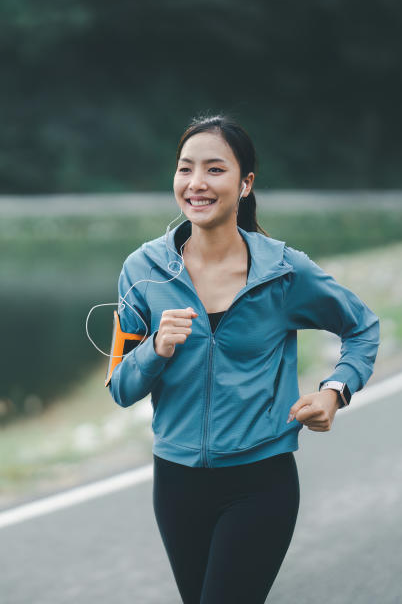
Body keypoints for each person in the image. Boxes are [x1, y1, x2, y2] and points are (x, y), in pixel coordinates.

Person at [105, 114, 380, 603]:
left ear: (245, 183)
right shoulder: (142, 271)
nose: (196, 183)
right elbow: (122, 388)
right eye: (185, 169)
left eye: (214, 170)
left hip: (261, 483)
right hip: (176, 484)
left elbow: (361, 328)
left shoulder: (283, 271)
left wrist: (336, 390)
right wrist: (155, 350)